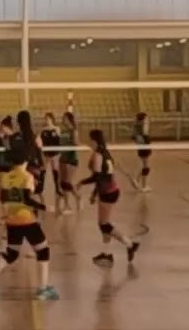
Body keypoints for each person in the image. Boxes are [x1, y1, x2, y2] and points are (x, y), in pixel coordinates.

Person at [0, 145, 58, 301]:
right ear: (26, 160)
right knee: (43, 250)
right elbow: (26, 199)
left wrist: (6, 215)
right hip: (26, 219)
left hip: (11, 220)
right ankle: (43, 289)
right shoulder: (27, 177)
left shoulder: (4, 177)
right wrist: (45, 207)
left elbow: (3, 199)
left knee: (11, 253)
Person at [80, 129, 140, 266]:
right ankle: (106, 254)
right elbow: (103, 177)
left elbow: (97, 177)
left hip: (108, 192)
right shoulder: (105, 152)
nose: (88, 142)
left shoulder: (98, 155)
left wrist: (80, 183)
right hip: (108, 191)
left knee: (104, 224)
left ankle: (130, 244)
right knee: (103, 224)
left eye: (90, 139)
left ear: (94, 140)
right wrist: (94, 194)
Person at [14, 111, 46, 214]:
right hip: (34, 168)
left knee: (25, 197)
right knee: (28, 196)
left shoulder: (18, 137)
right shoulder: (35, 136)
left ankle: (38, 211)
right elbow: (40, 153)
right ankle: (35, 214)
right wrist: (42, 167)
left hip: (24, 168)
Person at [57, 112, 79, 214]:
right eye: (63, 118)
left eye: (65, 118)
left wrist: (72, 142)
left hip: (71, 158)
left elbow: (76, 143)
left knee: (67, 182)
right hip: (63, 157)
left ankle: (68, 205)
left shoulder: (73, 130)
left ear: (70, 119)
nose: (63, 120)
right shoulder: (62, 130)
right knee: (62, 182)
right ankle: (76, 198)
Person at [40, 112, 62, 206]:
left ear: (52, 119)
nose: (47, 120)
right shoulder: (43, 130)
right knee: (43, 170)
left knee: (55, 171)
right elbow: (41, 142)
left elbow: (59, 140)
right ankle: (40, 188)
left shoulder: (56, 129)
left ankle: (57, 189)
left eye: (49, 119)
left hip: (55, 153)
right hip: (46, 153)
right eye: (46, 119)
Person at [131, 111, 152, 192]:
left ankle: (136, 180)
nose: (147, 120)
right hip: (144, 148)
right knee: (146, 168)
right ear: (142, 120)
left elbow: (135, 137)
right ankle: (143, 186)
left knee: (145, 166)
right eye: (146, 119)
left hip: (142, 148)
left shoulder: (137, 128)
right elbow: (145, 137)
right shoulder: (142, 129)